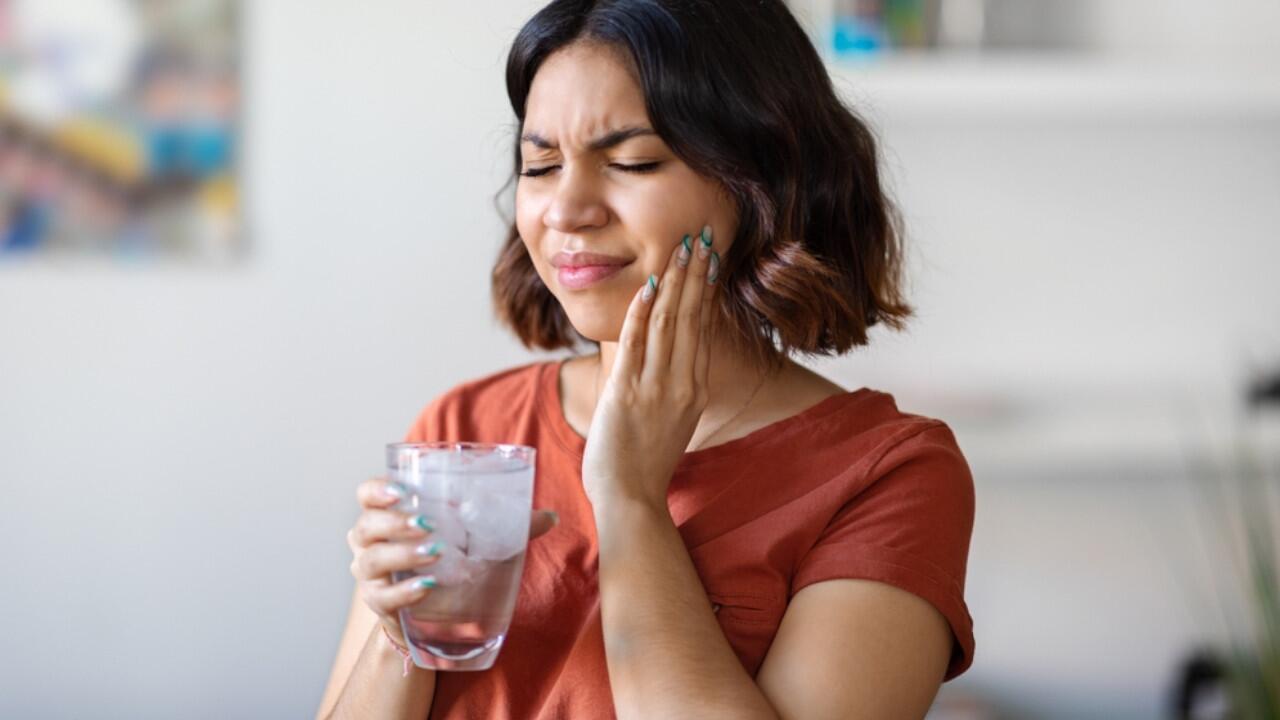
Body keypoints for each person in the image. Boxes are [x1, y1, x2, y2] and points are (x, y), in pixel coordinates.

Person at [318, 1, 975, 717]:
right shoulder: (463, 427)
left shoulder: (889, 475)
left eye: (632, 161)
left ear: (763, 181)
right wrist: (399, 633)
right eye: (540, 165)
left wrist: (629, 496)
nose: (566, 209)